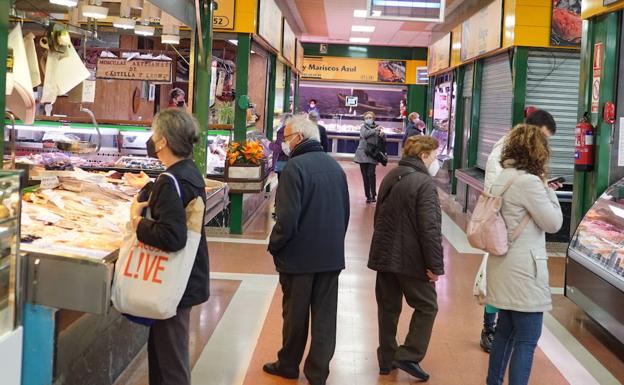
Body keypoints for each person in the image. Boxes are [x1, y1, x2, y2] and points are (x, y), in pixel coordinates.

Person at [125, 109, 209, 385]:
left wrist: (137, 222)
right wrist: (150, 187)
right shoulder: (187, 171)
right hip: (186, 279)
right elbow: (176, 202)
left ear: (162, 142)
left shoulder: (170, 181)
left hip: (173, 283)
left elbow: (173, 237)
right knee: (162, 354)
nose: (152, 139)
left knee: (172, 362)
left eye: (154, 134)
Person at [264, 116, 350, 385]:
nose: (284, 142)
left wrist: (274, 245)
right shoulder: (336, 168)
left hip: (299, 258)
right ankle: (318, 373)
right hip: (330, 257)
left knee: (295, 316)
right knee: (325, 318)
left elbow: (287, 219)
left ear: (299, 138)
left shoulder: (294, 169)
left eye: (286, 137)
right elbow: (345, 214)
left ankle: (288, 364)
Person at [486, 124, 563, 385]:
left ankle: (493, 382)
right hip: (524, 273)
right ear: (538, 152)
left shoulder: (504, 176)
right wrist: (549, 190)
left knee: (505, 333)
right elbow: (553, 224)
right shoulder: (529, 183)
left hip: (502, 266)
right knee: (527, 340)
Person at [368, 135, 444, 382]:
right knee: (427, 305)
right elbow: (429, 229)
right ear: (423, 156)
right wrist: (435, 267)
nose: (436, 161)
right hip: (410, 258)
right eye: (434, 156)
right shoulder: (424, 183)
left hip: (384, 253)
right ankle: (409, 354)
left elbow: (378, 215)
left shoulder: (393, 174)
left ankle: (386, 359)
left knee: (388, 308)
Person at [354, 111, 384, 204]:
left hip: (372, 154)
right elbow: (364, 135)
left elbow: (381, 140)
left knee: (371, 174)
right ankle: (368, 195)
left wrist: (382, 135)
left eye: (370, 117)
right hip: (362, 154)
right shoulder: (363, 127)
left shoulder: (378, 127)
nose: (368, 119)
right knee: (365, 176)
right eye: (366, 118)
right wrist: (376, 130)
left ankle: (373, 194)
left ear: (373, 118)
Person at [270, 113, 294, 178]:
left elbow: (279, 148)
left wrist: (268, 144)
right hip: (291, 162)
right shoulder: (293, 130)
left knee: (283, 183)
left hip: (282, 163)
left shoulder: (283, 130)